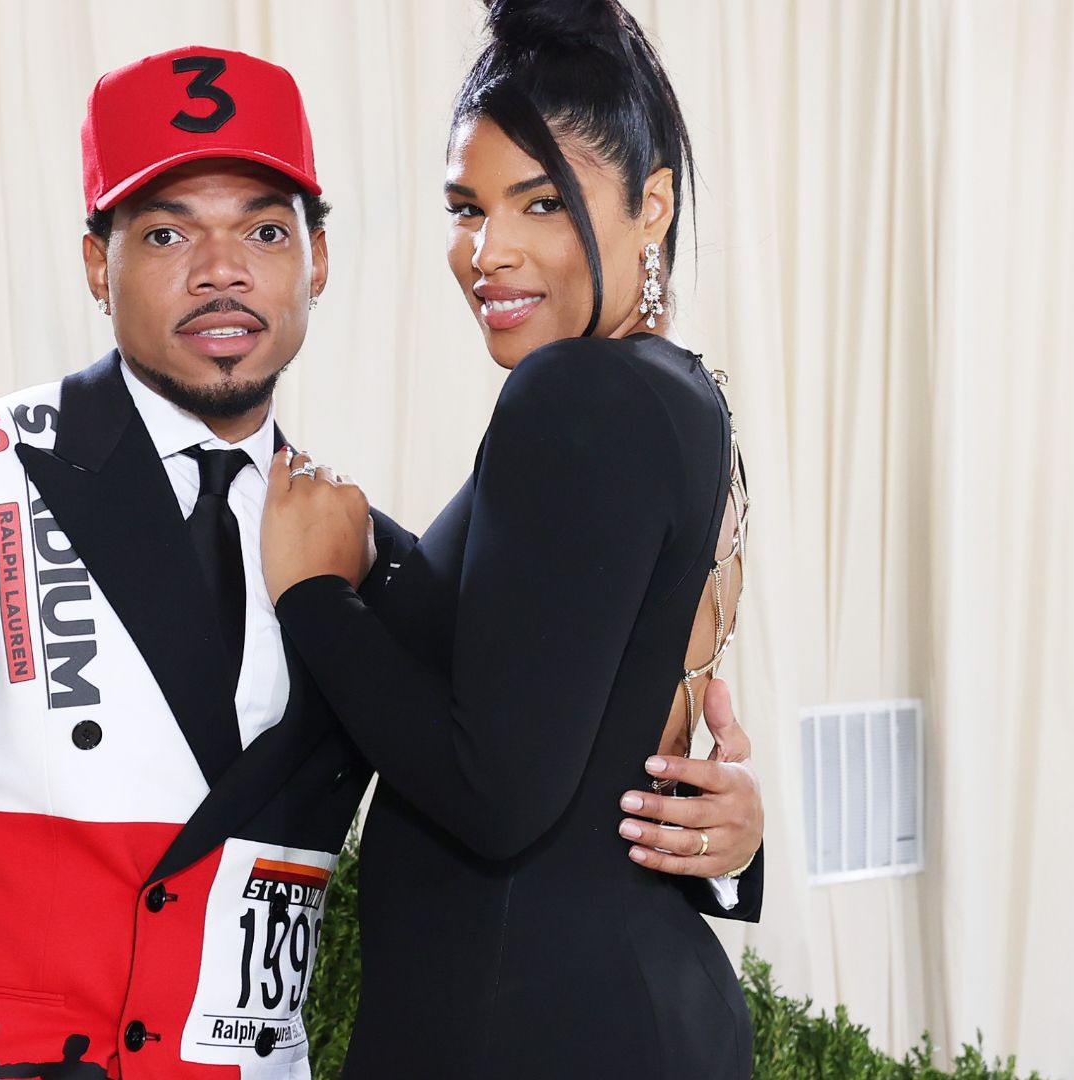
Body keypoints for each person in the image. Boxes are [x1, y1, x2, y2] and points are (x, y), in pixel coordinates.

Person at [0, 39, 761, 1080]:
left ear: (316, 259)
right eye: (169, 229)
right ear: (99, 261)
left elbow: (524, 767)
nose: (222, 270)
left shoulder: (364, 567)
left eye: (264, 229)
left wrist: (723, 840)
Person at [261, 1, 762, 1076]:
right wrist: (365, 548)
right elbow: (555, 655)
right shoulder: (683, 398)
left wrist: (313, 598)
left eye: (540, 202)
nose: (489, 253)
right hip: (615, 1005)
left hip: (528, 1025)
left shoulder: (570, 396)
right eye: (465, 207)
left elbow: (497, 793)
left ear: (652, 206)